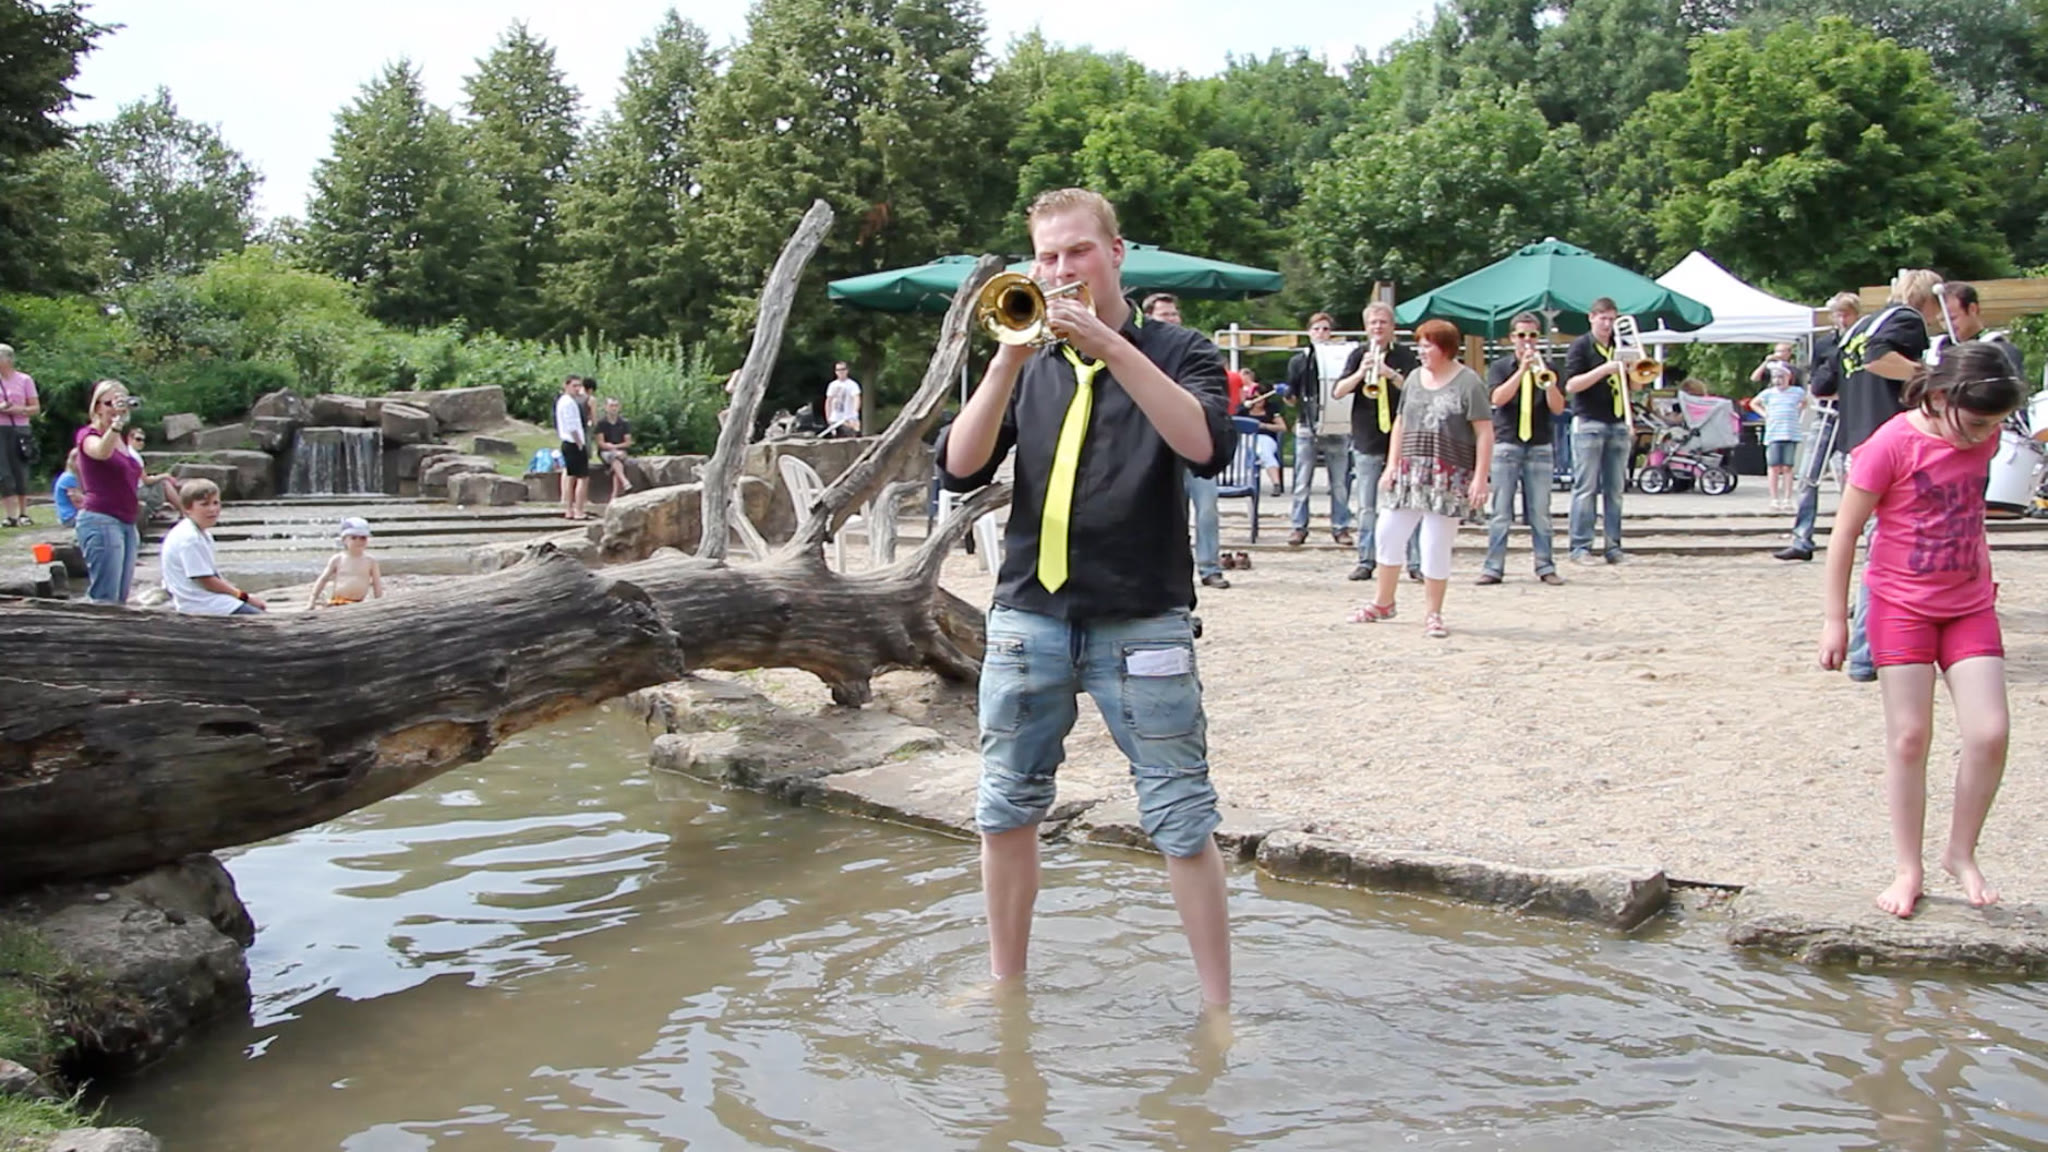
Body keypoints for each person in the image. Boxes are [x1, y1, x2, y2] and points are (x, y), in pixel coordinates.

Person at [938, 187, 1234, 1008]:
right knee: (1004, 807)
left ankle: (1218, 1010)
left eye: (1078, 251)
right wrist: (1006, 359)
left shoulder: (1181, 350)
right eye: (1048, 256)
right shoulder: (1029, 361)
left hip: (1143, 620)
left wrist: (1110, 346)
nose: (1062, 269)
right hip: (1028, 617)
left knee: (1181, 816)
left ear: (1116, 253)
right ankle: (1004, 985)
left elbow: (1204, 447)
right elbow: (959, 466)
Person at [1816, 342, 2023, 917]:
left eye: (1994, 424)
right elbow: (1845, 533)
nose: (1984, 435)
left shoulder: (1983, 437)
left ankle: (1961, 852)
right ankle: (1909, 867)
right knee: (1909, 738)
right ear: (1938, 396)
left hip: (1968, 604)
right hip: (1900, 606)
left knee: (1990, 732)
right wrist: (1836, 619)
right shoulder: (1891, 444)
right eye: (1977, 422)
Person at [1829, 269, 1943, 682]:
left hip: (1853, 444)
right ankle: (1867, 652)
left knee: (1869, 546)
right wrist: (1929, 376)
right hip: (1890, 448)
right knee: (1886, 552)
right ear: (1928, 299)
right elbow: (1878, 358)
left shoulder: (1859, 324)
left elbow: (1826, 380)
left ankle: (1871, 643)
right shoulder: (1907, 319)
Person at [1349, 318, 1492, 637]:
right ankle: (1383, 601)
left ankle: (1433, 612)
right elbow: (1401, 422)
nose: (1422, 351)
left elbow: (1484, 431)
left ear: (1445, 348)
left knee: (1434, 544)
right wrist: (1391, 464)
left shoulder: (1469, 382)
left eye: (1428, 346)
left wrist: (1480, 477)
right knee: (1388, 532)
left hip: (1447, 474)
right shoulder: (1414, 378)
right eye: (1420, 345)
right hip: (1410, 470)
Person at [1145, 293, 1229, 591]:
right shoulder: (1143, 352)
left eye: (1174, 314)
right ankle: (1170, 571)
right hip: (1157, 444)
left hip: (1192, 440)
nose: (1172, 319)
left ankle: (1210, 567)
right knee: (1166, 513)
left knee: (1207, 509)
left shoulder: (1191, 349)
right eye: (1164, 314)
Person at [1333, 302, 1422, 582]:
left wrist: (1390, 374)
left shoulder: (1405, 355)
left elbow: (1417, 389)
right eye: (1373, 322)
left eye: (1383, 322)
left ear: (1392, 327)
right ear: (1366, 327)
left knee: (1409, 502)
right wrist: (1361, 373)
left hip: (1402, 437)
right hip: (1367, 437)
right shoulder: (1358, 354)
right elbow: (1338, 391)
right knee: (1367, 506)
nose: (1378, 327)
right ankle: (1366, 560)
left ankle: (1415, 562)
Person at [1478, 312, 1568, 585]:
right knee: (1501, 511)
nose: (1527, 341)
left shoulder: (1549, 367)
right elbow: (1497, 398)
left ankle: (1545, 566)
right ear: (1512, 338)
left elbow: (1558, 408)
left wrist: (1548, 382)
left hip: (1539, 444)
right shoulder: (1500, 367)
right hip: (1507, 443)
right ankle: (1493, 568)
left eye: (1532, 335)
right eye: (1521, 335)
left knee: (1540, 511)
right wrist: (1521, 371)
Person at [1778, 292, 1862, 561]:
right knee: (1808, 475)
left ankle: (1855, 536)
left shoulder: (1864, 342)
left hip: (1853, 414)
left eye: (1846, 314)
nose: (1842, 319)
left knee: (1852, 479)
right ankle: (1802, 538)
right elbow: (1816, 379)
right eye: (1838, 314)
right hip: (1827, 412)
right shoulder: (1826, 344)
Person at [1563, 298, 1640, 565]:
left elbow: (1636, 386)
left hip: (1618, 421)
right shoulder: (1581, 346)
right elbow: (1571, 385)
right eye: (1603, 319)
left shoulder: (1621, 344)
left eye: (1611, 319)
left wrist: (1634, 370)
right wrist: (1605, 369)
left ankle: (1613, 547)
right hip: (1589, 422)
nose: (1608, 325)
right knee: (1585, 488)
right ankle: (1580, 547)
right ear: (1591, 318)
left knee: (1615, 490)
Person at [1284, 313, 1355, 548]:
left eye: (1325, 329)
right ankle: (1298, 526)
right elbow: (1292, 397)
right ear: (1309, 332)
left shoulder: (1341, 359)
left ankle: (1341, 527)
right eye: (1316, 329)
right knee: (1302, 481)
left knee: (1339, 483)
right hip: (1307, 424)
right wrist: (1288, 395)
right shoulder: (1298, 361)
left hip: (1337, 426)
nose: (1321, 333)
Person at [74, 380, 144, 605]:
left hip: (127, 521)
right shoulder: (88, 435)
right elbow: (101, 452)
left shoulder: (121, 441)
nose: (115, 408)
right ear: (97, 407)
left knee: (121, 597)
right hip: (101, 519)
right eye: (109, 403)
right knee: (105, 597)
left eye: (120, 402)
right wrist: (116, 424)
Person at [160, 479, 267, 615]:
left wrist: (241, 596)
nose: (212, 509)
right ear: (187, 508)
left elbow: (212, 575)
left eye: (216, 503)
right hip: (202, 604)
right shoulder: (190, 539)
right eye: (204, 504)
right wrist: (244, 597)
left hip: (207, 599)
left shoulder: (200, 533)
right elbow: (206, 580)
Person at [1749, 346, 1809, 512]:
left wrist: (1798, 410)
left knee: (1788, 467)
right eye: (1776, 377)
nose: (1778, 379)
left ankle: (1788, 498)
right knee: (1774, 466)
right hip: (1774, 433)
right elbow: (1754, 398)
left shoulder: (1796, 390)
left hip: (1790, 432)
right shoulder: (1769, 391)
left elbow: (1805, 401)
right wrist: (1765, 414)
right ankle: (1775, 499)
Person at [0, 343, 39, 527]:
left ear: (8, 359)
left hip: (20, 429)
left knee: (20, 470)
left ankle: (24, 513)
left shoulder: (24, 380)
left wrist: (17, 410)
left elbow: (35, 408)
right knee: (3, 472)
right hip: (0, 429)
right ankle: (10, 516)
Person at [308, 516, 385, 607]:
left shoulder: (371, 561)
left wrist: (379, 603)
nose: (358, 541)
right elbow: (323, 579)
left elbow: (377, 584)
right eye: (353, 538)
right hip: (338, 601)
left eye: (363, 538)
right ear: (344, 540)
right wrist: (313, 599)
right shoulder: (338, 559)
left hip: (359, 603)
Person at [1236, 375, 1287, 495]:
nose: (1259, 401)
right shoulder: (1243, 411)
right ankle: (1240, 483)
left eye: (1262, 398)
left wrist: (1264, 426)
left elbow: (1282, 427)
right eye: (1256, 398)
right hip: (1247, 439)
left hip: (1265, 438)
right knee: (1241, 453)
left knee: (1264, 451)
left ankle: (1276, 484)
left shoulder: (1271, 410)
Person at [126, 427, 181, 524]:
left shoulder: (126, 452)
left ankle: (155, 512)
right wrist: (165, 475)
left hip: (131, 490)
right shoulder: (134, 456)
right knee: (164, 483)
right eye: (138, 439)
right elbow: (147, 480)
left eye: (143, 440)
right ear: (129, 439)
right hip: (136, 492)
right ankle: (184, 511)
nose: (141, 443)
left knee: (159, 482)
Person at [554, 375, 591, 520]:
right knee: (582, 478)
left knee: (571, 477)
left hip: (568, 442)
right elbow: (572, 425)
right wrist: (580, 443)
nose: (577, 389)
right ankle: (578, 510)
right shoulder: (568, 403)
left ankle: (569, 509)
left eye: (579, 386)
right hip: (573, 443)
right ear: (566, 386)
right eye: (574, 386)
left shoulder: (564, 401)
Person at [594, 396, 635, 498]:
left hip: (620, 450)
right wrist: (612, 449)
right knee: (615, 459)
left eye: (616, 406)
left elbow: (628, 442)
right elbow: (601, 443)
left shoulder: (624, 423)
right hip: (606, 451)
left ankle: (616, 494)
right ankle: (624, 483)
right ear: (606, 407)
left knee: (617, 461)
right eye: (611, 406)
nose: (614, 408)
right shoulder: (601, 423)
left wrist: (615, 447)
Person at [824, 361, 862, 438]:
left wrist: (854, 413)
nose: (840, 372)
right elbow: (829, 401)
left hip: (848, 419)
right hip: (835, 419)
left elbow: (856, 398)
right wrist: (828, 417)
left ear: (847, 370)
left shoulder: (852, 384)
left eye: (843, 369)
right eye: (838, 370)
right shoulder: (832, 385)